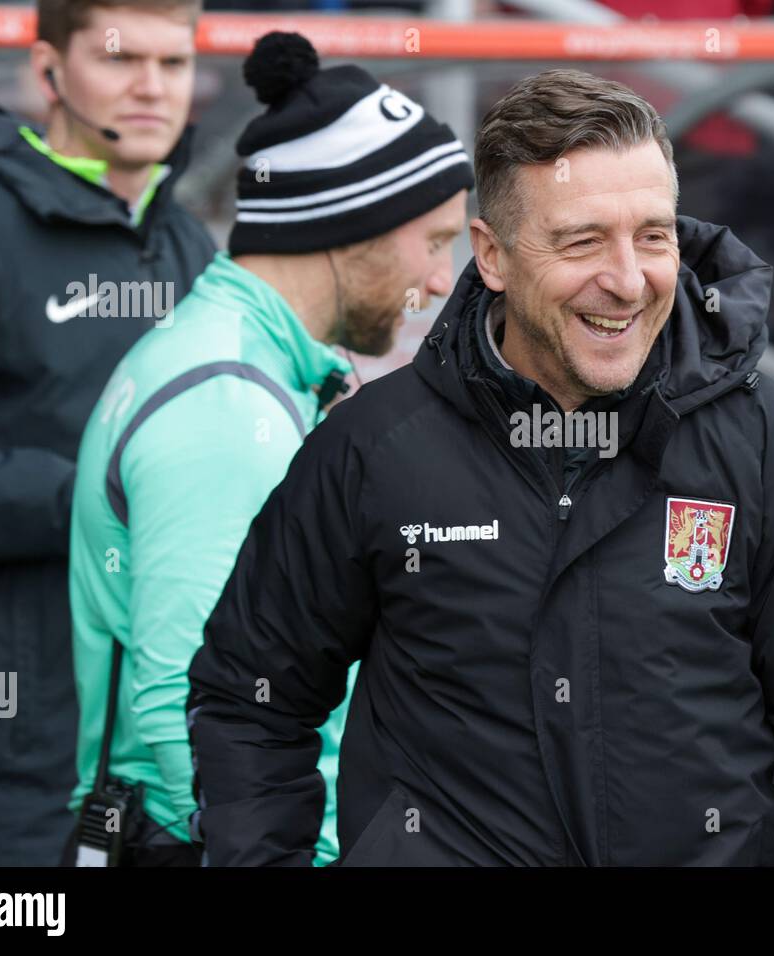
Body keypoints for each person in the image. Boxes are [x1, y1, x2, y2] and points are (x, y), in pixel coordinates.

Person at [188, 68, 774, 867]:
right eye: (582, 241)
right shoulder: (373, 448)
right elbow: (250, 700)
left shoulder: (772, 443)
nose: (628, 279)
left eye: (653, 234)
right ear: (492, 255)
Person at [62, 32, 471, 866]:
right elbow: (196, 713)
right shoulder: (225, 402)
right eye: (432, 241)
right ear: (344, 227)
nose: (440, 280)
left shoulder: (238, 364)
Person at [0, 0, 214, 866]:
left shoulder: (188, 241)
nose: (153, 89)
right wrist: (98, 492)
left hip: (154, 755)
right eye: (123, 60)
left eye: (175, 63)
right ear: (48, 72)